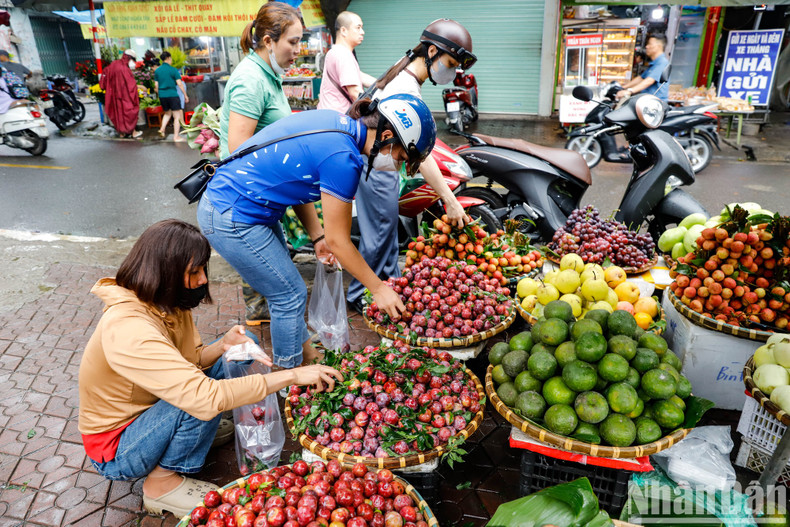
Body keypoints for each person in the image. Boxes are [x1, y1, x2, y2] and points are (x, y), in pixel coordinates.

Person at [78, 219, 342, 518]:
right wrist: (292, 375)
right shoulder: (130, 330)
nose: (203, 279)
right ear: (165, 274)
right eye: (194, 272)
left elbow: (188, 363)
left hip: (151, 410)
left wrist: (223, 346)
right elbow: (203, 396)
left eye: (203, 268)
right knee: (202, 403)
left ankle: (183, 436)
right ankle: (161, 483)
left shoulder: (164, 302)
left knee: (244, 346)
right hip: (118, 448)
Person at [197, 94, 436, 369]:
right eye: (401, 156)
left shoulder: (339, 124)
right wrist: (379, 288)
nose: (398, 166)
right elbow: (340, 242)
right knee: (289, 295)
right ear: (385, 136)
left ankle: (306, 355)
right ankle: (289, 378)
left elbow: (299, 182)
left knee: (286, 290)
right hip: (231, 213)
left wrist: (317, 236)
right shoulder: (344, 159)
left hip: (248, 205)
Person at [346, 18, 477, 314]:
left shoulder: (404, 72)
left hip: (381, 166)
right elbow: (422, 155)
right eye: (450, 62)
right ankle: (361, 298)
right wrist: (449, 198)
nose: (452, 71)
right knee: (379, 237)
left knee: (386, 236)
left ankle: (388, 291)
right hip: (378, 167)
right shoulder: (404, 87)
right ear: (430, 53)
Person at [219, 2, 303, 325]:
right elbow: (239, 148)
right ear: (268, 41)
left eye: (299, 41)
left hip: (262, 199)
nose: (298, 50)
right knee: (289, 292)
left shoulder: (269, 75)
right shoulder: (251, 81)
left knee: (284, 287)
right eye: (292, 42)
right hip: (245, 202)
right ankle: (286, 368)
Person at [317, 11, 376, 113]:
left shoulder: (336, 51)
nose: (362, 32)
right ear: (344, 30)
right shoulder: (342, 54)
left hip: (330, 116)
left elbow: (359, 76)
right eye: (358, 27)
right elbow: (355, 93)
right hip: (338, 119)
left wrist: (386, 84)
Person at [100, 49, 143, 138]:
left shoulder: (114, 64)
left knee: (118, 115)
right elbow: (131, 84)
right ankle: (133, 132)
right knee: (130, 113)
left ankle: (122, 133)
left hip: (115, 96)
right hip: (125, 96)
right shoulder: (124, 68)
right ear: (129, 58)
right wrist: (140, 87)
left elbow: (105, 75)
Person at [616, 34, 669, 101]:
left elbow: (649, 81)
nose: (647, 47)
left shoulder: (662, 62)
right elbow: (641, 78)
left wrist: (630, 91)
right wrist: (623, 87)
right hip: (647, 101)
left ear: (658, 46)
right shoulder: (654, 64)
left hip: (654, 104)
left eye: (650, 44)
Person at [154, 51, 189, 142]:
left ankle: (162, 129)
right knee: (176, 116)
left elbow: (156, 86)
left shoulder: (157, 71)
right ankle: (176, 137)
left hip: (162, 95)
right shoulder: (173, 70)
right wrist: (185, 95)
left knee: (167, 113)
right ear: (168, 58)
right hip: (172, 95)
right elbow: (179, 83)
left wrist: (160, 94)